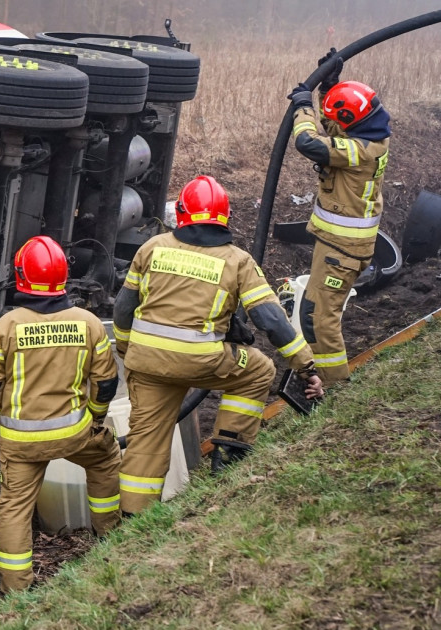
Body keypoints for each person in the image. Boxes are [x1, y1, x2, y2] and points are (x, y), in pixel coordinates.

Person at [113, 176, 324, 515]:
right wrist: (305, 366)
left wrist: (128, 351)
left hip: (147, 363)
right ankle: (228, 453)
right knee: (258, 370)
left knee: (146, 441)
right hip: (202, 360)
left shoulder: (151, 248)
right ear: (225, 218)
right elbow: (271, 321)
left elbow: (123, 310)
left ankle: (133, 520)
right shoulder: (237, 261)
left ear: (180, 214)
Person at [0, 235, 123, 593]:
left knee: (13, 508)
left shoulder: (6, 326)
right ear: (62, 277)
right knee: (105, 461)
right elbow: (106, 382)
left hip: (19, 441)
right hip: (74, 432)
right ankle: (113, 542)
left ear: (21, 275)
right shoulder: (87, 322)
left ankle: (16, 590)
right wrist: (96, 420)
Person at [288, 58, 391, 384]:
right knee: (315, 312)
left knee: (318, 319)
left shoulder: (359, 150)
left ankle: (335, 390)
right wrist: (329, 87)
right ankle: (325, 380)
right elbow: (338, 125)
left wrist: (303, 109)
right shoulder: (370, 133)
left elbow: (308, 142)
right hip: (339, 246)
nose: (334, 122)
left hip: (342, 251)